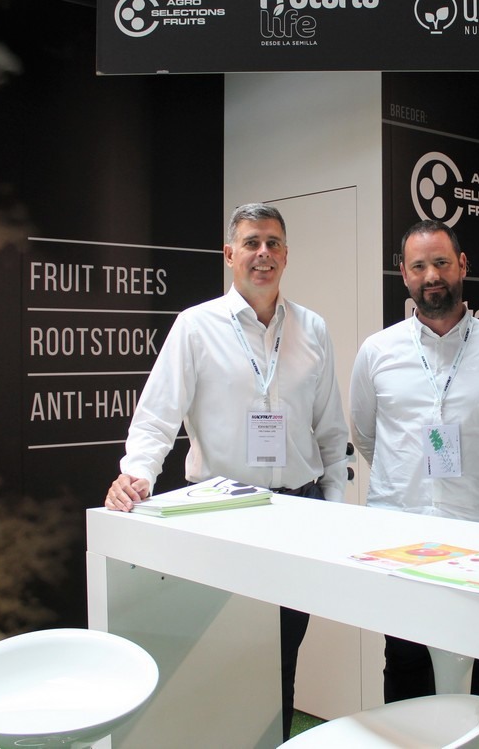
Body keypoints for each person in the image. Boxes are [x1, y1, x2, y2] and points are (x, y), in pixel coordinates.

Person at [104, 202, 350, 741]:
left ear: (286, 254)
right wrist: (136, 474)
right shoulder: (196, 327)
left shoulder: (312, 328)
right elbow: (156, 417)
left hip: (299, 510)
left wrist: (334, 508)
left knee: (284, 652)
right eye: (252, 243)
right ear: (229, 254)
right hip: (222, 511)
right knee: (225, 653)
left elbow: (331, 429)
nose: (263, 254)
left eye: (273, 243)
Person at [349, 219, 479, 749]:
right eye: (420, 266)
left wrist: (469, 478)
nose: (432, 275)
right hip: (398, 539)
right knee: (405, 667)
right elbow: (365, 435)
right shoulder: (377, 352)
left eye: (442, 263)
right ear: (404, 274)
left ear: (462, 266)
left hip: (478, 539)